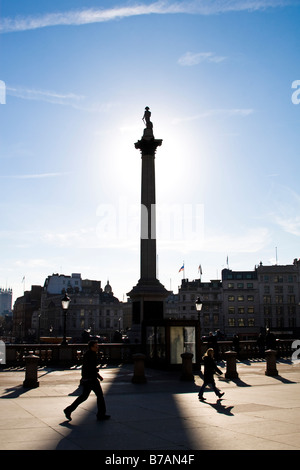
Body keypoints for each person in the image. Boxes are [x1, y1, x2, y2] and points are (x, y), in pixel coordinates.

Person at [64, 340, 110, 421]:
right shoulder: (91, 355)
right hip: (91, 379)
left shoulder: (88, 354)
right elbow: (90, 367)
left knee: (84, 397)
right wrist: (98, 375)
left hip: (87, 379)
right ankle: (101, 414)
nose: (97, 347)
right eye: (96, 346)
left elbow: (88, 367)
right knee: (99, 396)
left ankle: (69, 410)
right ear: (92, 347)